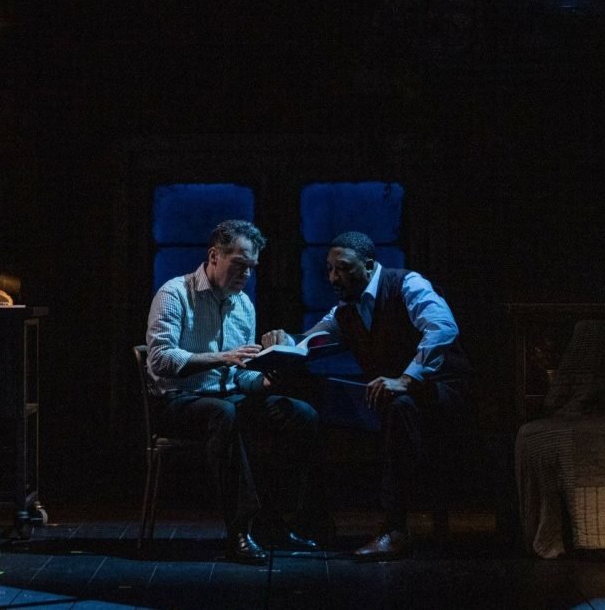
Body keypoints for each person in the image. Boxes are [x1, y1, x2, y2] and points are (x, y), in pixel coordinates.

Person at [264, 231, 471, 561]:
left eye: (343, 268)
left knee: (401, 406)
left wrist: (406, 378)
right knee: (310, 411)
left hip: (441, 392)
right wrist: (282, 341)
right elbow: (308, 345)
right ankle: (315, 520)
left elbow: (443, 328)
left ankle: (394, 529)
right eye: (330, 269)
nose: (334, 277)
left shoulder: (407, 284)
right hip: (390, 400)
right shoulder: (345, 311)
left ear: (369, 265)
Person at [144, 219, 320, 564]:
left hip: (225, 398)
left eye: (251, 268)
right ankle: (240, 529)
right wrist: (221, 357)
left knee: (298, 413)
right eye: (239, 265)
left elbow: (239, 377)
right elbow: (161, 359)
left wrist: (265, 381)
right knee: (223, 414)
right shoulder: (174, 294)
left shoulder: (243, 306)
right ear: (214, 256)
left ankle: (276, 521)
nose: (246, 275)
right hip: (177, 402)